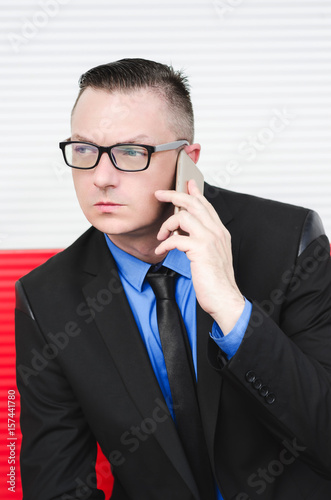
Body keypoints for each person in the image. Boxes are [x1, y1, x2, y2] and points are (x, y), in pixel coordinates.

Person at [15, 58, 331, 500]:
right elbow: (56, 482)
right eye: (84, 150)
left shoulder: (289, 241)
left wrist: (231, 308)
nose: (101, 179)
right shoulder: (45, 298)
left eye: (130, 152)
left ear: (187, 161)